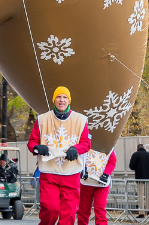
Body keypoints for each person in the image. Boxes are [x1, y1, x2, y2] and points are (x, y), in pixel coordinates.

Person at [28, 87, 91, 225]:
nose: (61, 100)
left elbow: (86, 143)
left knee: (68, 215)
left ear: (69, 100)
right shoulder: (42, 119)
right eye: (58, 97)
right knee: (50, 210)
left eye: (65, 97)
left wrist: (76, 149)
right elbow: (32, 142)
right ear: (54, 100)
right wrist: (37, 148)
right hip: (49, 172)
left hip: (71, 173)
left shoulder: (80, 120)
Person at [78, 148, 116, 225]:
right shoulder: (86, 144)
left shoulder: (109, 146)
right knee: (83, 211)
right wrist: (83, 169)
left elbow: (112, 161)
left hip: (101, 184)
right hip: (86, 183)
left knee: (100, 210)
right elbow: (80, 156)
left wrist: (106, 174)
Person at [128, 143, 149, 218]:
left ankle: (141, 213)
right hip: (147, 178)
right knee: (148, 194)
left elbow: (131, 166)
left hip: (139, 178)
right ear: (144, 148)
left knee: (140, 195)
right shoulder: (148, 155)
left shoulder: (135, 155)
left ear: (137, 148)